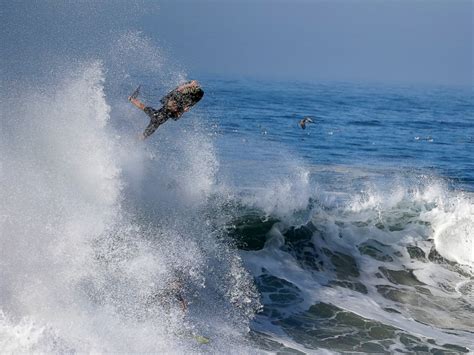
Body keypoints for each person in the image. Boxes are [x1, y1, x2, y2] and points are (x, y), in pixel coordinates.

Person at [129, 80, 204, 139]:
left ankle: (131, 99)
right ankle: (131, 99)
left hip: (156, 117)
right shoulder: (173, 106)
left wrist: (184, 109)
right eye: (174, 105)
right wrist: (190, 85)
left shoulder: (173, 107)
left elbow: (178, 91)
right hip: (157, 118)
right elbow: (178, 90)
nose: (175, 105)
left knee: (143, 136)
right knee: (143, 136)